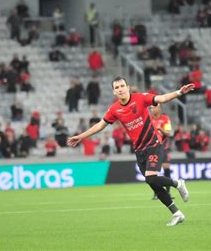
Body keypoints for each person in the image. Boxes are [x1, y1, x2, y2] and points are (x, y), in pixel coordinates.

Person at [67, 77, 194, 226]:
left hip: (153, 144)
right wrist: (81, 136)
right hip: (139, 151)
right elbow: (100, 125)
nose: (120, 89)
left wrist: (179, 92)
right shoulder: (114, 109)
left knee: (152, 178)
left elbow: (162, 98)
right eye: (117, 87)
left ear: (127, 87)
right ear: (114, 92)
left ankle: (178, 183)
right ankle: (177, 214)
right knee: (153, 184)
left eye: (122, 86)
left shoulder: (140, 98)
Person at [150, 103, 174, 200]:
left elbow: (168, 133)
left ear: (159, 108)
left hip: (163, 146)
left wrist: (160, 128)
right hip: (152, 147)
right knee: (153, 171)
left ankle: (168, 192)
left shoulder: (165, 118)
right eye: (151, 108)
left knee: (166, 167)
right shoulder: (148, 119)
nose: (153, 109)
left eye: (155, 107)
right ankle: (157, 193)